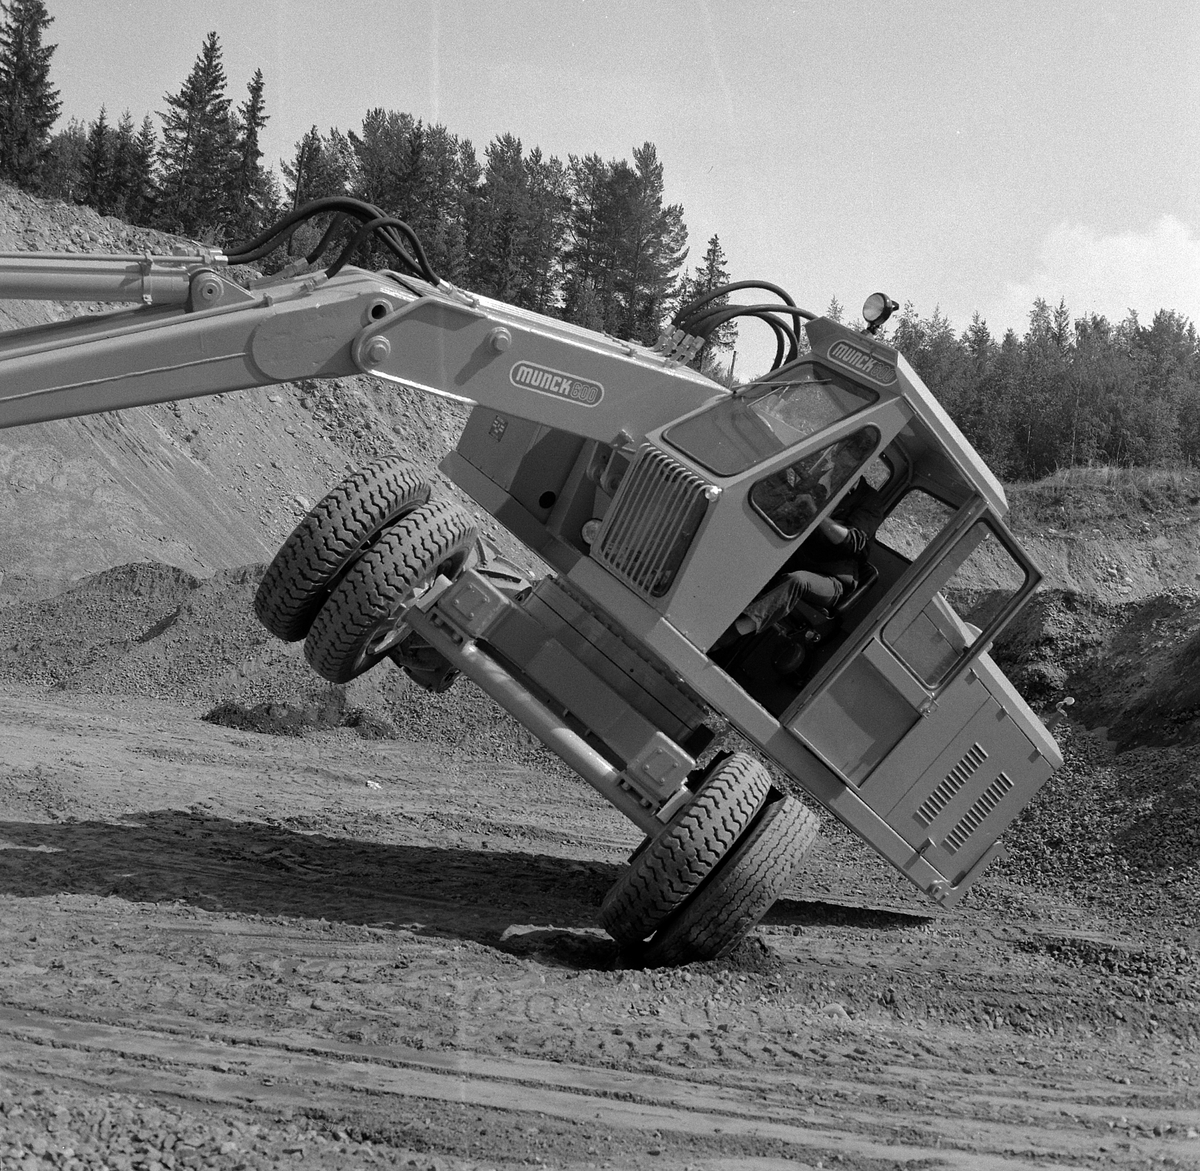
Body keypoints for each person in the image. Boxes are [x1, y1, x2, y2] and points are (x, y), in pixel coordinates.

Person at [711, 516, 870, 656]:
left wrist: (820, 513)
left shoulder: (867, 500)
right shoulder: (824, 485)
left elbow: (853, 543)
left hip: (832, 578)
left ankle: (730, 635)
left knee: (797, 581)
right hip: (801, 557)